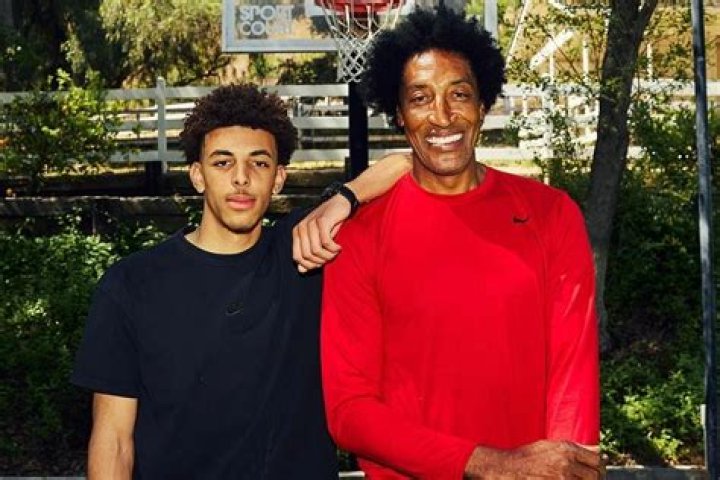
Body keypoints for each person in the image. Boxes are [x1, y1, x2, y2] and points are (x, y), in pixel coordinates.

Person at [318, 6, 603, 479]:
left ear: (483, 106)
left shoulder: (551, 215)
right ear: (398, 115)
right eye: (420, 98)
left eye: (459, 94)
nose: (442, 116)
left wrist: (562, 468)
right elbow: (350, 412)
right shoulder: (359, 236)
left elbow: (572, 379)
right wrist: (487, 463)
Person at [71, 84, 410, 479]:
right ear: (197, 175)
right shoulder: (132, 284)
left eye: (259, 163)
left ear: (279, 178)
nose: (242, 178)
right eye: (222, 163)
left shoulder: (303, 252)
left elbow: (406, 165)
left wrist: (342, 198)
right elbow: (113, 440)